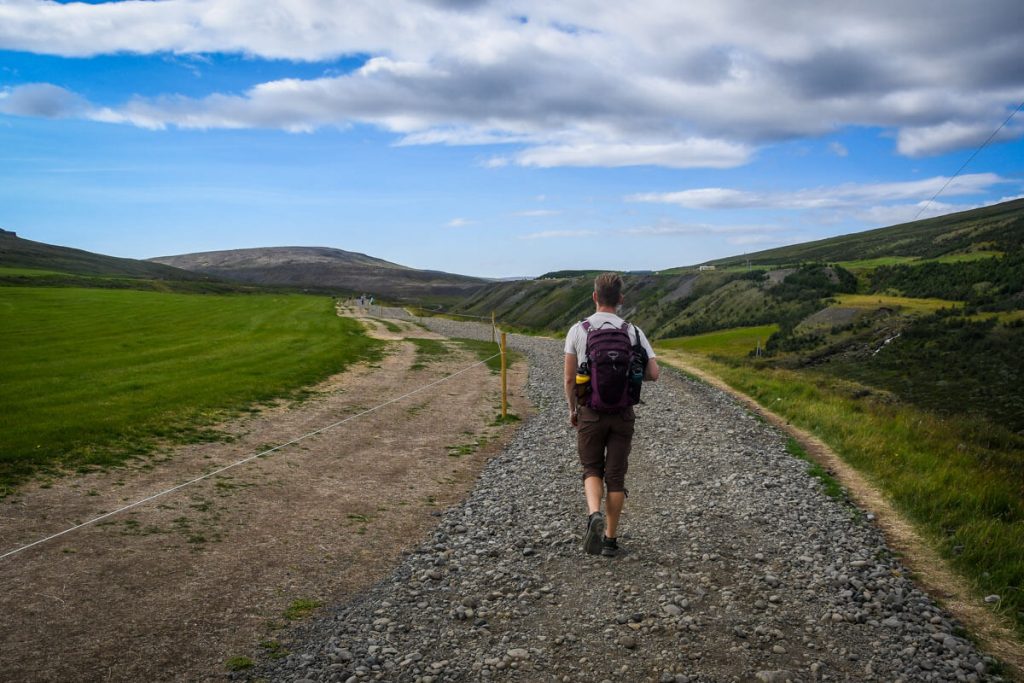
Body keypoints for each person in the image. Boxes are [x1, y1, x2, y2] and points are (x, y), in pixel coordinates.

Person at [564, 272, 659, 557]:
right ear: (620, 299)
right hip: (622, 413)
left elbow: (570, 379)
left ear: (594, 296)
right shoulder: (633, 331)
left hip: (590, 412)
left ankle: (594, 513)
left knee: (592, 468)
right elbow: (654, 374)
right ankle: (609, 539)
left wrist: (573, 410)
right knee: (616, 477)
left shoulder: (578, 330)